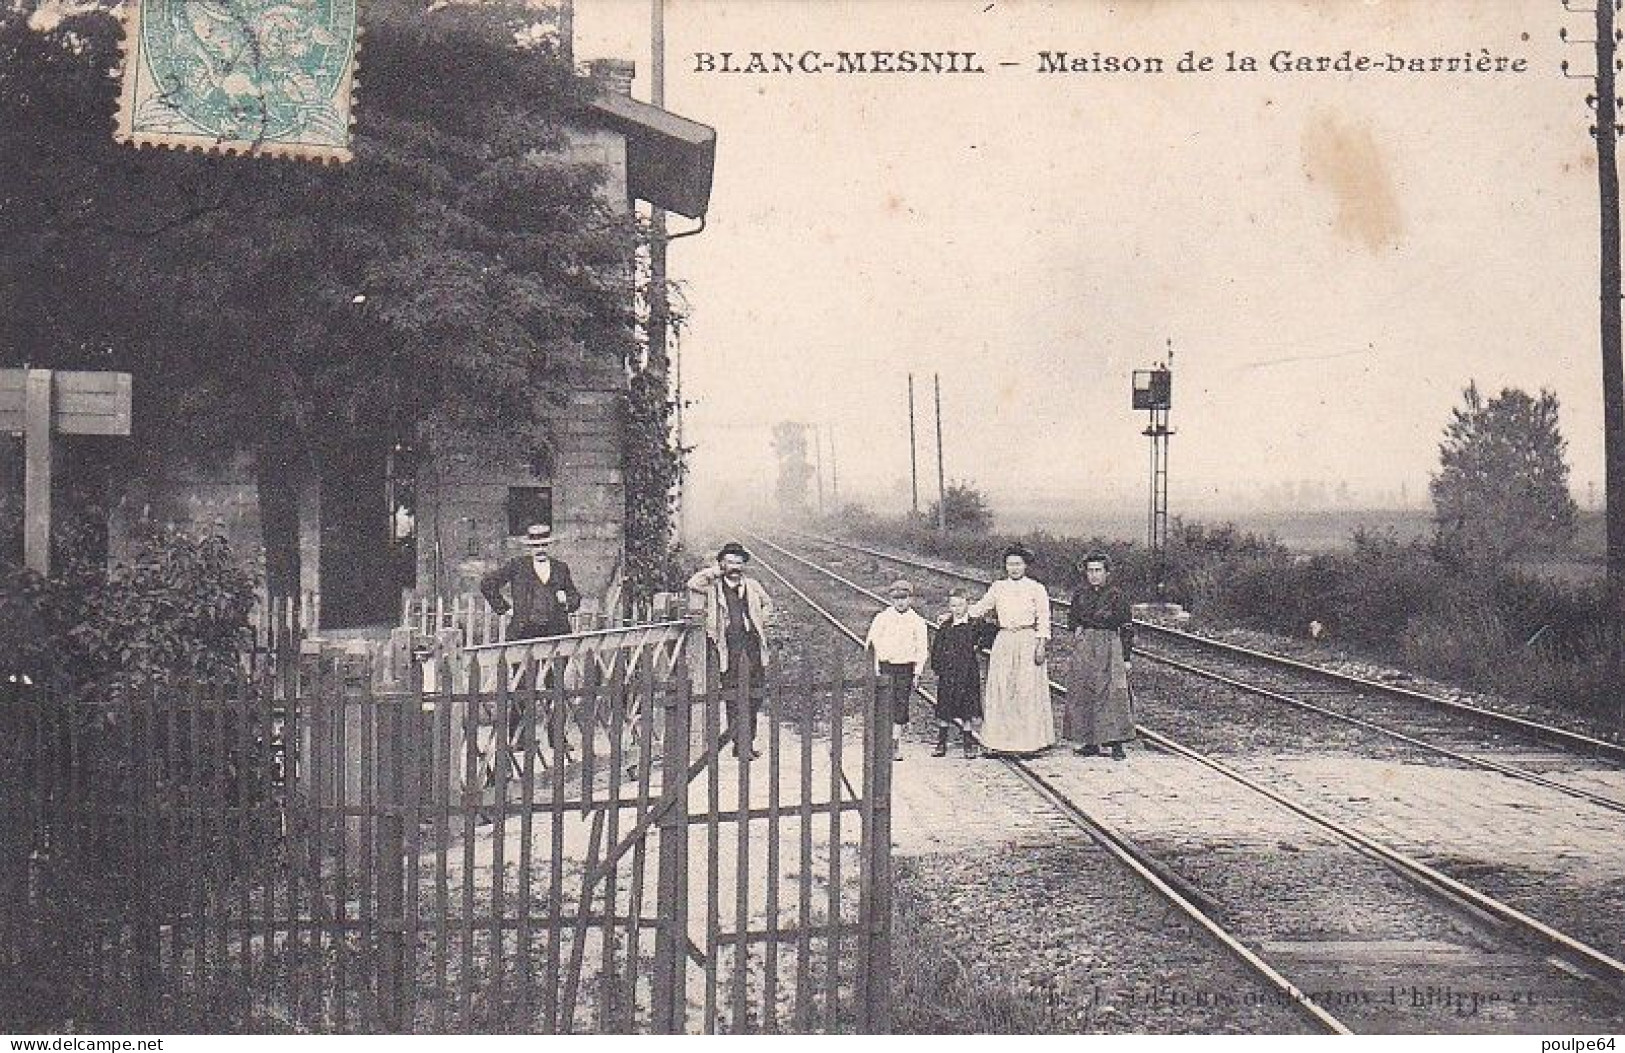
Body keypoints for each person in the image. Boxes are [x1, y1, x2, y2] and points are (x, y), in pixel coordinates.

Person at [967, 544, 1057, 756]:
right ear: (1005, 566)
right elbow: (979, 608)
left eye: (1018, 564)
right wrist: (956, 616)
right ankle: (999, 741)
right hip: (1005, 639)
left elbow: (1044, 619)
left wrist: (1041, 644)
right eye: (1010, 564)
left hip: (1028, 639)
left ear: (1025, 565)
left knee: (1026, 690)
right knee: (1002, 688)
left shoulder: (1036, 588)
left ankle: (1029, 743)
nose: (1014, 568)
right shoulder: (998, 587)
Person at [687, 541, 774, 759]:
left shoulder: (752, 586)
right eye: (730, 562)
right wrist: (717, 570)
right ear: (722, 564)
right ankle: (740, 744)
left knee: (755, 695)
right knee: (734, 697)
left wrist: (760, 622)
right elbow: (693, 582)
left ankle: (747, 741)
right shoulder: (713, 587)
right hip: (728, 649)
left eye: (739, 562)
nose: (735, 567)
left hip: (752, 647)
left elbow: (768, 604)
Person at [1065, 553, 1136, 760]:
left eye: (1098, 570)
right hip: (1087, 643)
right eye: (1090, 571)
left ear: (1107, 572)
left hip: (1110, 643)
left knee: (1112, 692)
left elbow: (1126, 627)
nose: (1094, 575)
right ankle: (1090, 741)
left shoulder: (1117, 595)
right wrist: (1079, 637)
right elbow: (1073, 620)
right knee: (1085, 689)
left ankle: (1115, 743)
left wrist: (1126, 657)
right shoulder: (1080, 594)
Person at [864, 579, 931, 762]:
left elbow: (922, 648)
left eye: (904, 598)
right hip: (886, 666)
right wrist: (875, 669)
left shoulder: (917, 621)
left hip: (905, 668)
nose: (900, 602)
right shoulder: (882, 618)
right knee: (884, 704)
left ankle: (895, 743)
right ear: (891, 599)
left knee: (900, 706)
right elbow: (871, 644)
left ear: (910, 599)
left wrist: (917, 672)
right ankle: (882, 742)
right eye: (896, 598)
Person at [479, 523, 582, 640]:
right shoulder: (517, 566)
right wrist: (505, 609)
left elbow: (575, 596)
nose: (540, 550)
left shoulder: (560, 568)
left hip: (555, 633)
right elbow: (487, 584)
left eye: (544, 545)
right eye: (536, 546)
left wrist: (567, 600)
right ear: (529, 547)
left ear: (549, 545)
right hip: (524, 633)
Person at [929, 587, 994, 758]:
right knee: (944, 706)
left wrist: (979, 645)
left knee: (967, 707)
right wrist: (938, 667)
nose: (956, 609)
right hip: (949, 672)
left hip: (967, 672)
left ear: (967, 605)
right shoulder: (946, 626)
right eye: (953, 606)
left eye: (960, 605)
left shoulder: (974, 624)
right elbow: (936, 649)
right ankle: (941, 741)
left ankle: (968, 742)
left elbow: (990, 634)